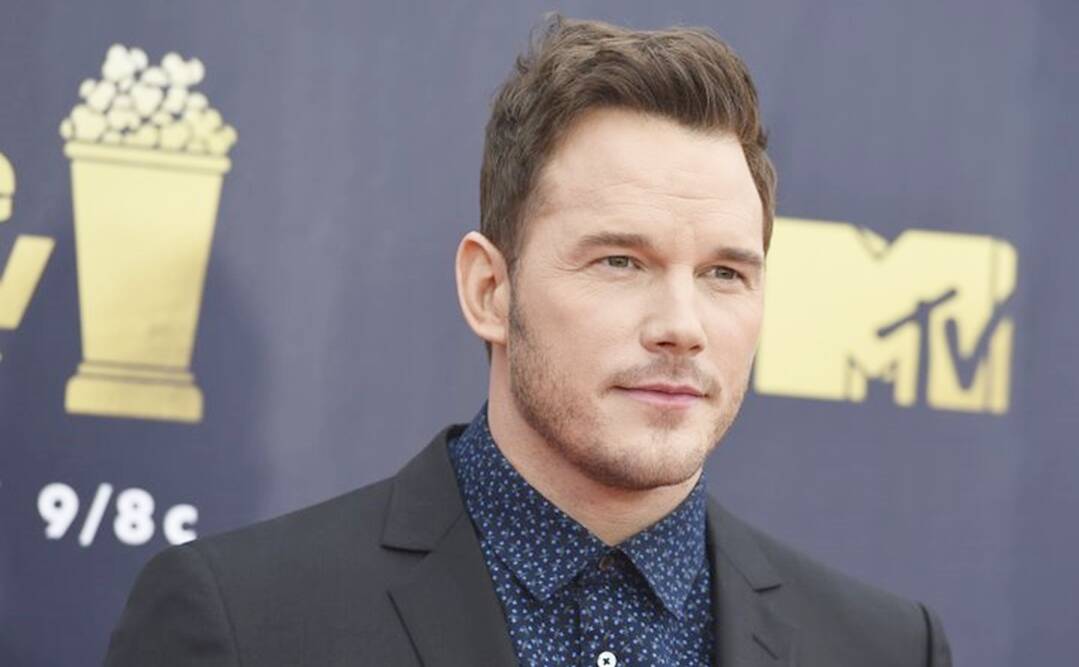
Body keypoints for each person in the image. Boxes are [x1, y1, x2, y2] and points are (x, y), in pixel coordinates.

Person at [104, 15, 952, 667]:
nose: (682, 326)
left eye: (725, 273)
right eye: (621, 261)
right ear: (490, 289)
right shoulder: (246, 623)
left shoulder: (885, 649)